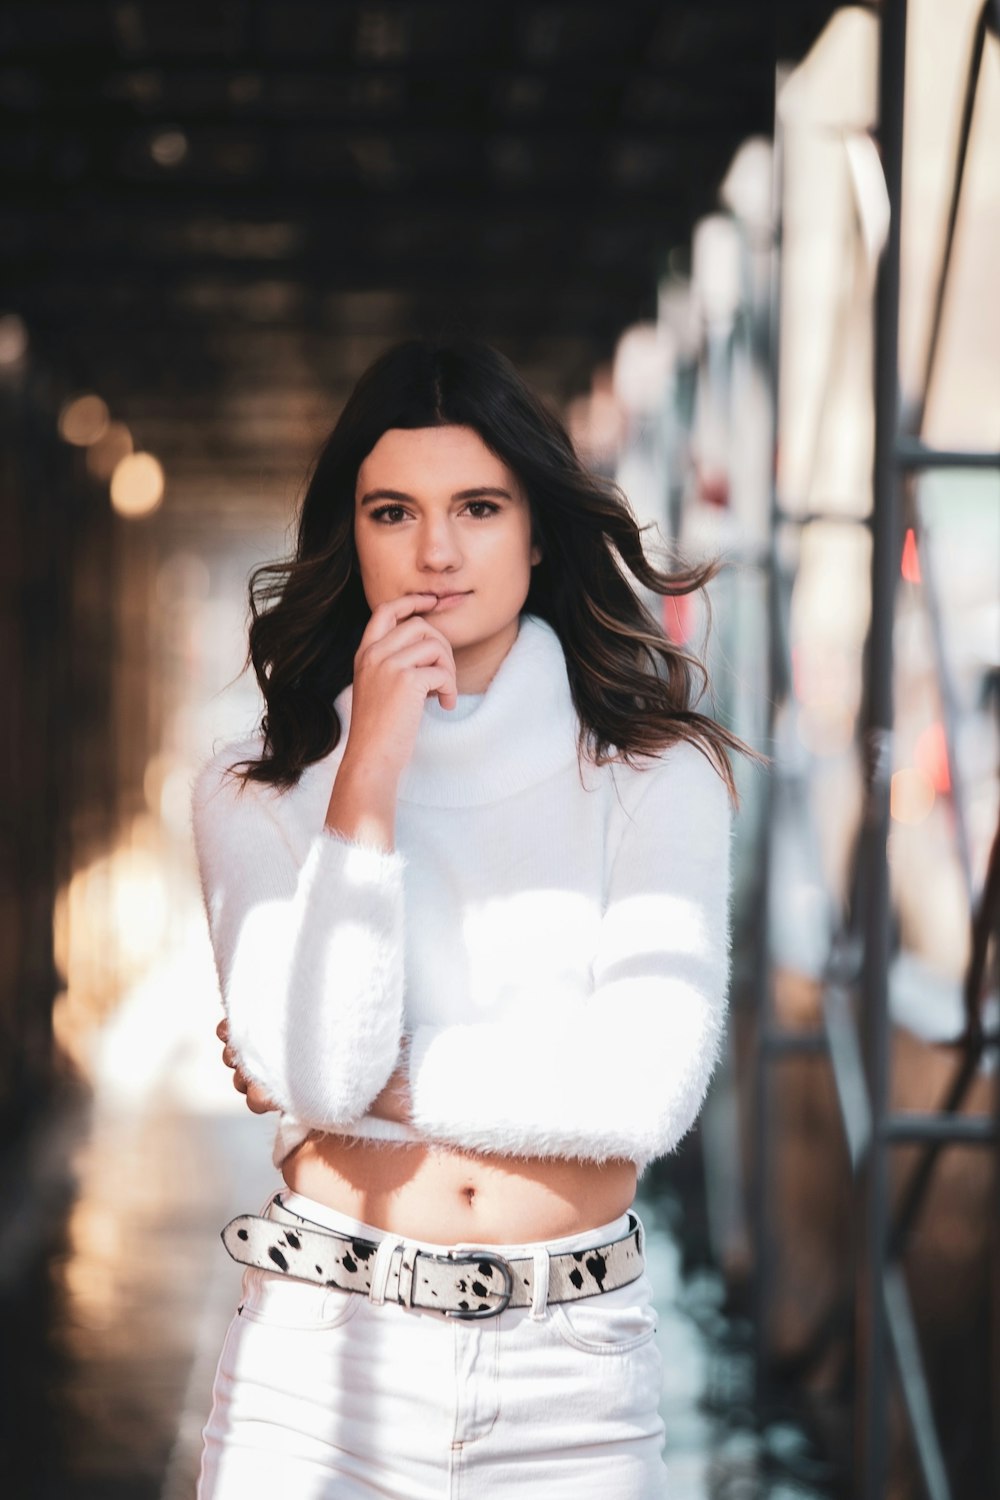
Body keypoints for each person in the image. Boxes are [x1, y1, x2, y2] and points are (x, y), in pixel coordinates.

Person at [190, 337, 747, 1498]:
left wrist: (360, 1080)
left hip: (574, 1383)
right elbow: (324, 1071)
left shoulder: (653, 774)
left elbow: (642, 1090)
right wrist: (370, 769)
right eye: (392, 511)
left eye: (478, 506)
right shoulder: (257, 785)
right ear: (352, 533)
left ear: (537, 530)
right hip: (317, 1369)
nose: (435, 553)